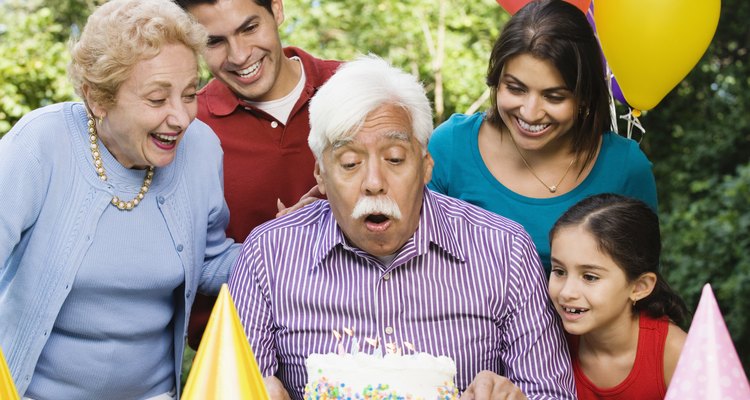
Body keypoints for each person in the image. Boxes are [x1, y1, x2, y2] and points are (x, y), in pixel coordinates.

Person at [228, 55, 576, 400]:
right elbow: (230, 386)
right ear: (320, 173)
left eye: (394, 158)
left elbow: (551, 393)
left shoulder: (505, 250)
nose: (374, 183)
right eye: (350, 163)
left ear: (425, 166)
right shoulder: (267, 255)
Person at [0, 0, 240, 398]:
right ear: (98, 99)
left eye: (189, 93)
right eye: (157, 99)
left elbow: (211, 260)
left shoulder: (201, 150)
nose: (181, 117)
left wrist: (289, 241)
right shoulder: (39, 145)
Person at [427, 0, 658, 273]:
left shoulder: (625, 167)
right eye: (516, 89)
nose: (530, 112)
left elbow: (643, 289)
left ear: (583, 96)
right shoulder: (450, 147)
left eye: (554, 96)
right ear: (496, 80)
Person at [174, 0, 342, 349]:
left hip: (356, 343)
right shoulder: (184, 126)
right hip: (237, 354)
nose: (239, 55)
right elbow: (184, 261)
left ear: (277, 10)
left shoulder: (353, 89)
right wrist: (278, 244)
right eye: (214, 41)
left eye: (249, 28)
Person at [548, 193, 689, 399]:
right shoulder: (547, 340)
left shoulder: (678, 354)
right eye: (559, 271)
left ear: (639, 287)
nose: (567, 292)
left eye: (590, 277)